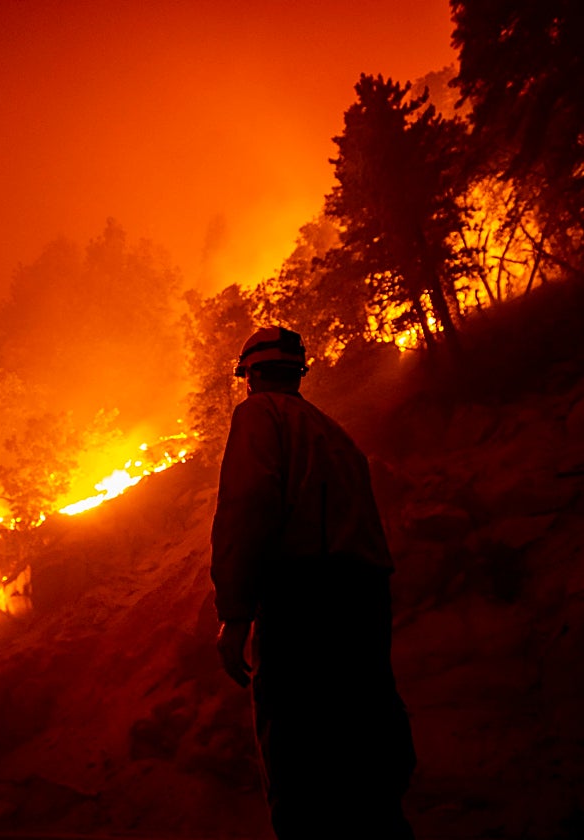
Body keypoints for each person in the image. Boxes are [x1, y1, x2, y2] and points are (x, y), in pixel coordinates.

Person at [210, 325, 416, 839]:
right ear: (298, 371)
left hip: (303, 599)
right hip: (364, 601)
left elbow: (248, 507)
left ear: (250, 375)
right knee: (365, 749)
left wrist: (235, 615)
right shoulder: (336, 434)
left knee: (300, 755)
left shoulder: (259, 415)